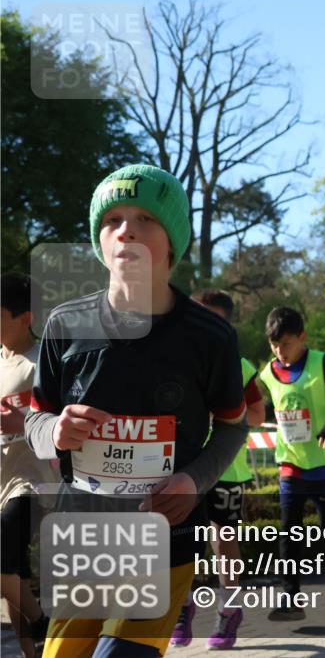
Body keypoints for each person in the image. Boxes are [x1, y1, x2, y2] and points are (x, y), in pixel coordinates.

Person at [24, 164, 249, 658]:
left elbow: (234, 427)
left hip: (164, 539)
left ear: (172, 240)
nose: (126, 229)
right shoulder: (65, 325)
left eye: (145, 218)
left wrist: (194, 480)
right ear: (100, 241)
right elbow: (34, 420)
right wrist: (55, 431)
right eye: (112, 220)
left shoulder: (209, 338)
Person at [169, 290, 266, 650]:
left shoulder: (238, 366)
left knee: (223, 543)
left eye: (209, 318)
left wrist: (221, 412)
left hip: (226, 470)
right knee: (182, 544)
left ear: (225, 324)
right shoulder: (173, 359)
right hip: (182, 469)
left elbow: (257, 415)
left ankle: (229, 611)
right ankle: (182, 609)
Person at [257, 307, 325, 621]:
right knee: (289, 531)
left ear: (302, 337)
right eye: (274, 345)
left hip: (324, 461)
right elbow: (272, 406)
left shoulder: (321, 362)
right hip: (290, 462)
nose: (280, 351)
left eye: (286, 344)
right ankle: (291, 599)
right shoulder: (268, 371)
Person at [1, 273, 57, 657]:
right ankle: (32, 649)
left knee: (3, 557)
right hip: (1, 482)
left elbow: (61, 421)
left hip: (35, 481)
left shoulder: (44, 363)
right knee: (12, 573)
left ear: (25, 318)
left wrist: (22, 422)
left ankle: (43, 623)